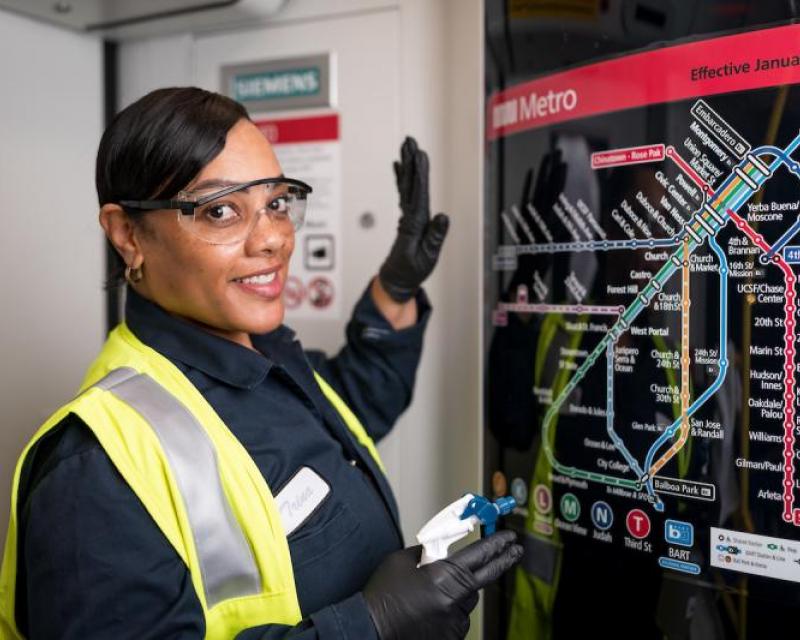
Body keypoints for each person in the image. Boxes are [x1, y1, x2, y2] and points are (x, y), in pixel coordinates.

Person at [0, 87, 522, 639]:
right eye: (221, 210)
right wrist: (369, 626)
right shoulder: (93, 476)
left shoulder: (267, 356)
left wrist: (395, 288)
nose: (274, 238)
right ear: (129, 234)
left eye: (275, 202)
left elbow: (356, 403)